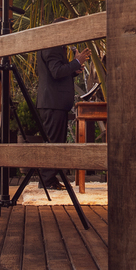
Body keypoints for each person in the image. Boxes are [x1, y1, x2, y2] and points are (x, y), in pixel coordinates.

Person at [36, 35, 90, 189]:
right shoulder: (52, 46)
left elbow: (58, 73)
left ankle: (49, 179)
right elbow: (56, 71)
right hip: (53, 102)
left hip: (54, 102)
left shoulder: (53, 45)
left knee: (55, 141)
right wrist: (76, 62)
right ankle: (47, 181)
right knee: (53, 143)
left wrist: (74, 70)